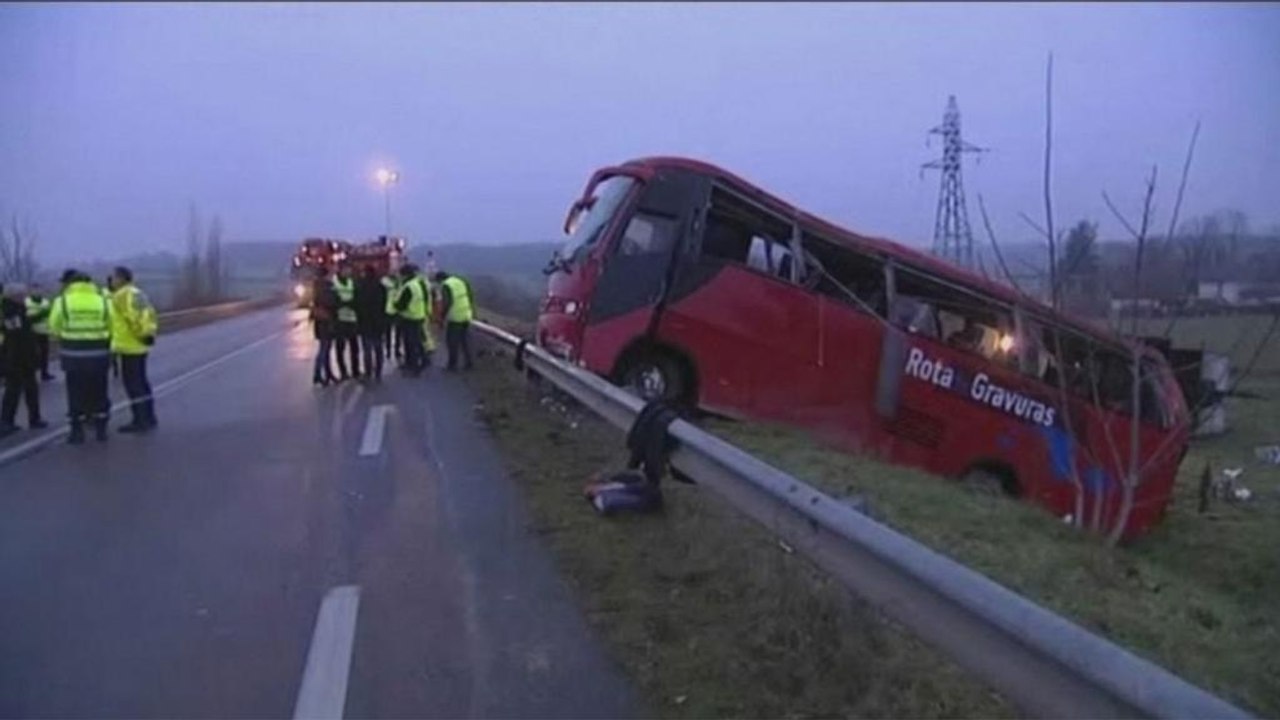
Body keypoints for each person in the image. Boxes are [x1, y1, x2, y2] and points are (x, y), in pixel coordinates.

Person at [48, 270, 112, 444]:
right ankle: (101, 431)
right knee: (99, 392)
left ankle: (77, 432)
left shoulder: (62, 302)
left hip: (73, 357)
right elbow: (112, 325)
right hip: (99, 355)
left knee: (76, 393)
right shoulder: (103, 301)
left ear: (70, 284)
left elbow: (53, 327)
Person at [109, 266, 158, 432]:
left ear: (121, 278)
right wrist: (148, 333)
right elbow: (148, 313)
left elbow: (133, 317)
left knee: (133, 385)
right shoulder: (138, 293)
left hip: (129, 345)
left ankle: (140, 420)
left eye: (114, 278)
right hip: (140, 345)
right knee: (142, 383)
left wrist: (140, 333)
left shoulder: (121, 295)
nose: (112, 281)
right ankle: (149, 417)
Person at [1, 283, 47, 437]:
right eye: (22, 295)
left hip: (24, 356)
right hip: (15, 357)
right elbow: (15, 335)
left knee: (30, 388)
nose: (24, 297)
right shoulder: (9, 311)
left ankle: (34, 418)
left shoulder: (18, 309)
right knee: (13, 390)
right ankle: (6, 422)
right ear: (14, 296)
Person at [435, 270, 474, 371]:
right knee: (464, 340)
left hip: (456, 317)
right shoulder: (460, 281)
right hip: (466, 314)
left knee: (452, 341)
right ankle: (469, 362)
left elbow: (447, 302)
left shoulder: (446, 285)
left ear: (440, 279)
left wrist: (442, 317)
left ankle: (452, 365)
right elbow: (469, 296)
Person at [355, 266, 387, 383]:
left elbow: (357, 304)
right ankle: (378, 373)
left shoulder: (361, 287)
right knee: (378, 349)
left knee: (367, 349)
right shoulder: (381, 287)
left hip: (365, 322)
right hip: (378, 322)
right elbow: (384, 304)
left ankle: (368, 373)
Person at [395, 264, 429, 375]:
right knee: (418, 341)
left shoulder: (408, 286)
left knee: (411, 343)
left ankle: (414, 368)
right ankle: (424, 360)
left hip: (409, 318)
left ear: (405, 275)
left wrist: (395, 304)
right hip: (419, 316)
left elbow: (401, 305)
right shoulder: (418, 284)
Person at [331, 264, 360, 381]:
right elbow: (332, 300)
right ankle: (343, 372)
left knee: (354, 348)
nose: (347, 272)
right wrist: (343, 304)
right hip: (339, 320)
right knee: (340, 348)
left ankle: (355, 371)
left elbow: (357, 297)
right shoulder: (334, 283)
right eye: (345, 270)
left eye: (348, 270)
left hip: (352, 319)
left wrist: (352, 304)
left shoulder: (352, 282)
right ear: (340, 270)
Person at [310, 268, 338, 386]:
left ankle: (327, 373)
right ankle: (319, 374)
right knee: (324, 349)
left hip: (320, 321)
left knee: (325, 348)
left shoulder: (316, 286)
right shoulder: (327, 286)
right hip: (327, 321)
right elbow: (331, 302)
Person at [25, 284, 54, 381]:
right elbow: (26, 318)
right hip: (32, 332)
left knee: (44, 353)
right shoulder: (26, 302)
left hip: (44, 331)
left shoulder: (46, 302)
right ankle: (31, 374)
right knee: (32, 354)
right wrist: (40, 315)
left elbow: (50, 315)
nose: (37, 292)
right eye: (34, 290)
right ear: (30, 291)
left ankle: (44, 373)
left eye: (39, 290)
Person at [380, 272, 402, 363]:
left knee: (393, 333)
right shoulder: (387, 284)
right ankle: (392, 351)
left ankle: (393, 350)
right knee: (392, 333)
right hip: (391, 311)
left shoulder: (398, 285)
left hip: (392, 311)